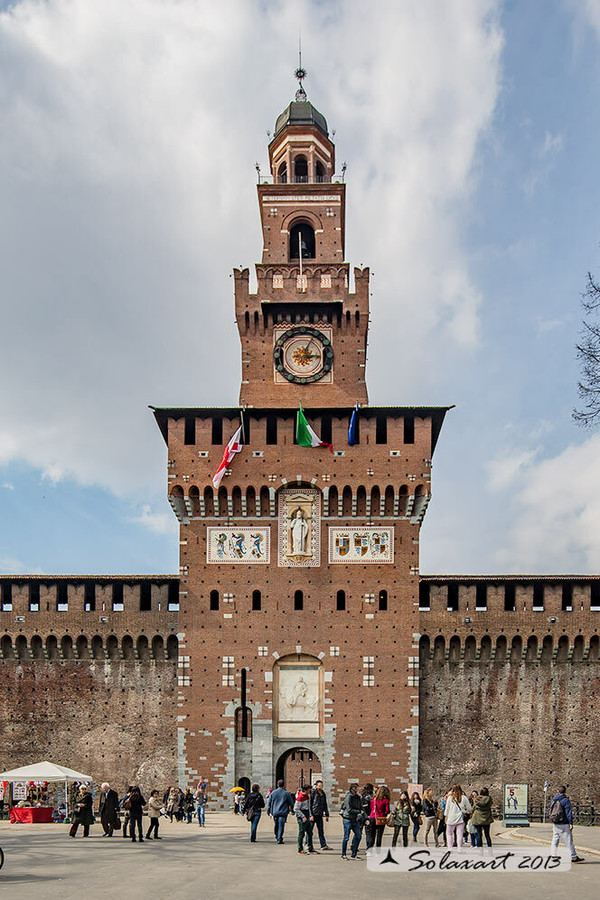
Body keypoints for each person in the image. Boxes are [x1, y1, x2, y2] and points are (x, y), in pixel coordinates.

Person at [549, 786, 584, 863]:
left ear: (558, 791)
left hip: (555, 822)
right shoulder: (565, 800)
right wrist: (570, 823)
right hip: (563, 823)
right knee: (568, 840)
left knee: (555, 839)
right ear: (565, 791)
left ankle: (553, 855)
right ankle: (573, 856)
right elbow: (568, 813)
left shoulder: (553, 800)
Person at [266, 779, 295, 844]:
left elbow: (269, 803)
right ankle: (279, 838)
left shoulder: (273, 793)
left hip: (275, 811)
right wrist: (292, 810)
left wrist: (268, 810)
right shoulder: (286, 793)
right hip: (283, 812)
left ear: (277, 785)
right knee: (281, 826)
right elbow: (291, 803)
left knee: (276, 825)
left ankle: (277, 836)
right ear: (284, 785)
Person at [444, 784, 472, 849]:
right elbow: (469, 808)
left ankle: (450, 848)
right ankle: (460, 848)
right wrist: (465, 811)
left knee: (449, 833)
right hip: (460, 819)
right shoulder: (464, 798)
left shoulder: (450, 798)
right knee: (460, 834)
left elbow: (447, 809)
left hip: (451, 818)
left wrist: (446, 817)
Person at [340, 783, 363, 860]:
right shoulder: (349, 797)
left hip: (355, 819)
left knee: (358, 836)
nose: (359, 790)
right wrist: (358, 811)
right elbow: (349, 809)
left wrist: (364, 815)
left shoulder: (358, 797)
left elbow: (361, 807)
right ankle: (343, 854)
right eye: (358, 788)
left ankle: (354, 853)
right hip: (347, 819)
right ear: (354, 789)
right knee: (346, 837)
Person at [310, 780, 332, 850]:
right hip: (314, 814)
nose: (320, 787)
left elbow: (325, 804)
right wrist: (311, 815)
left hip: (320, 814)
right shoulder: (313, 793)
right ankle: (308, 844)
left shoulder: (323, 793)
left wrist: (327, 814)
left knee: (321, 831)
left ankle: (323, 845)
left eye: (321, 785)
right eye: (319, 785)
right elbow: (310, 804)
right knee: (310, 831)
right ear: (316, 786)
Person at [294, 784, 315, 854]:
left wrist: (311, 815)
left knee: (310, 833)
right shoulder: (300, 797)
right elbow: (296, 809)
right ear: (306, 790)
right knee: (301, 833)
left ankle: (310, 847)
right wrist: (302, 816)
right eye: (309, 789)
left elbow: (309, 807)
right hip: (302, 817)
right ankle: (300, 849)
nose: (310, 791)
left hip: (307, 816)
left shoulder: (307, 797)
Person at [361, 783, 375, 850]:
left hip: (361, 816)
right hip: (368, 816)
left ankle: (354, 846)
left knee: (359, 832)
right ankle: (369, 847)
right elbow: (368, 808)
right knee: (369, 833)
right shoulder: (369, 797)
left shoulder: (362, 796)